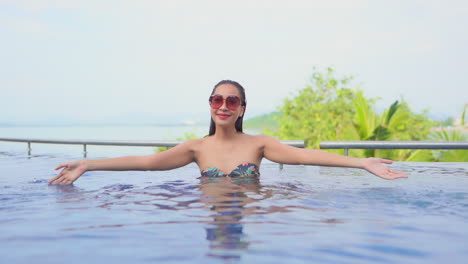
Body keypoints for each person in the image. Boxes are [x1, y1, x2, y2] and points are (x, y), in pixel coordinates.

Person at [48, 80, 408, 185]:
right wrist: (88, 164)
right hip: (205, 219)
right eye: (217, 99)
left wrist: (362, 164)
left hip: (252, 217)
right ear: (210, 104)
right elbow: (146, 162)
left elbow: (304, 156)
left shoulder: (259, 145)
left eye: (232, 101)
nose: (223, 105)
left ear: (242, 109)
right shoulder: (195, 149)